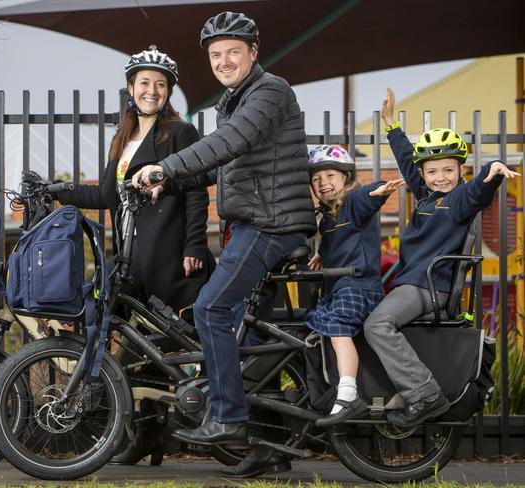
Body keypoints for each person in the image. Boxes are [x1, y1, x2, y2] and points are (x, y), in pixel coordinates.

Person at [132, 11, 316, 477]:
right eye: (216, 54)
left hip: (270, 225)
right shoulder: (233, 101)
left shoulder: (269, 91)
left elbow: (228, 144)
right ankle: (267, 447)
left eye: (233, 51)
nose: (224, 60)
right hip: (254, 223)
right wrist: (167, 187)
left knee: (210, 309)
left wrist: (165, 167)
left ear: (254, 53)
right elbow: (220, 168)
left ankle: (229, 418)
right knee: (245, 335)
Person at [57, 47, 215, 465]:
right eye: (144, 83)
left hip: (168, 253)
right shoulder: (123, 137)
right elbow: (107, 195)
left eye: (160, 85)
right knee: (134, 350)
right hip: (128, 259)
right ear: (130, 88)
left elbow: (197, 190)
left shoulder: (180, 133)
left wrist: (194, 245)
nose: (152, 90)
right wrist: (60, 191)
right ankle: (148, 435)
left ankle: (175, 428)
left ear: (168, 92)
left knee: (170, 345)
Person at [364, 88, 520, 427]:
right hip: (413, 284)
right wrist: (391, 122)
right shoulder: (425, 195)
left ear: (460, 170)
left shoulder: (459, 199)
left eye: (448, 170)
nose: (440, 178)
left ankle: (423, 393)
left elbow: (478, 191)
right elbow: (408, 158)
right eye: (433, 172)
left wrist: (490, 173)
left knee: (377, 325)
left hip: (427, 287)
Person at [304, 145, 403, 427]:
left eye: (331, 175)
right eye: (317, 179)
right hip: (340, 288)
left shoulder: (353, 203)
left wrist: (381, 189)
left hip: (359, 287)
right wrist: (322, 254)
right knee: (312, 327)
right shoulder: (328, 217)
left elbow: (368, 195)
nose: (324, 183)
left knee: (336, 324)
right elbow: (339, 239)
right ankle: (325, 392)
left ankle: (348, 395)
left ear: (346, 178)